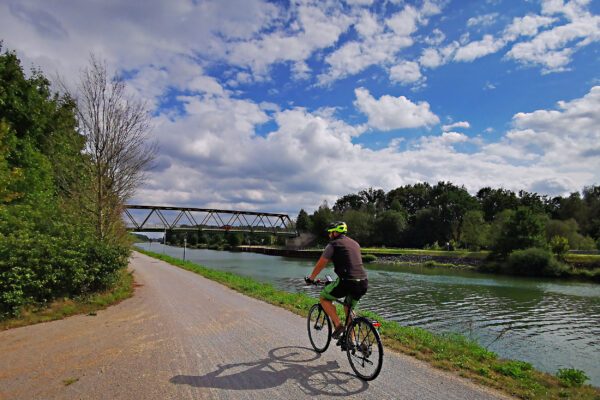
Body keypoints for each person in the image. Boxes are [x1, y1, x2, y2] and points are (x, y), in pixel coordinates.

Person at [305, 221, 368, 339]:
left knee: (324, 297)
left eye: (330, 233)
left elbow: (321, 264)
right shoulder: (355, 243)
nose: (329, 235)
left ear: (335, 233)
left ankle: (339, 326)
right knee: (348, 308)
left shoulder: (333, 245)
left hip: (347, 281)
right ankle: (352, 341)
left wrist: (311, 278)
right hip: (363, 281)